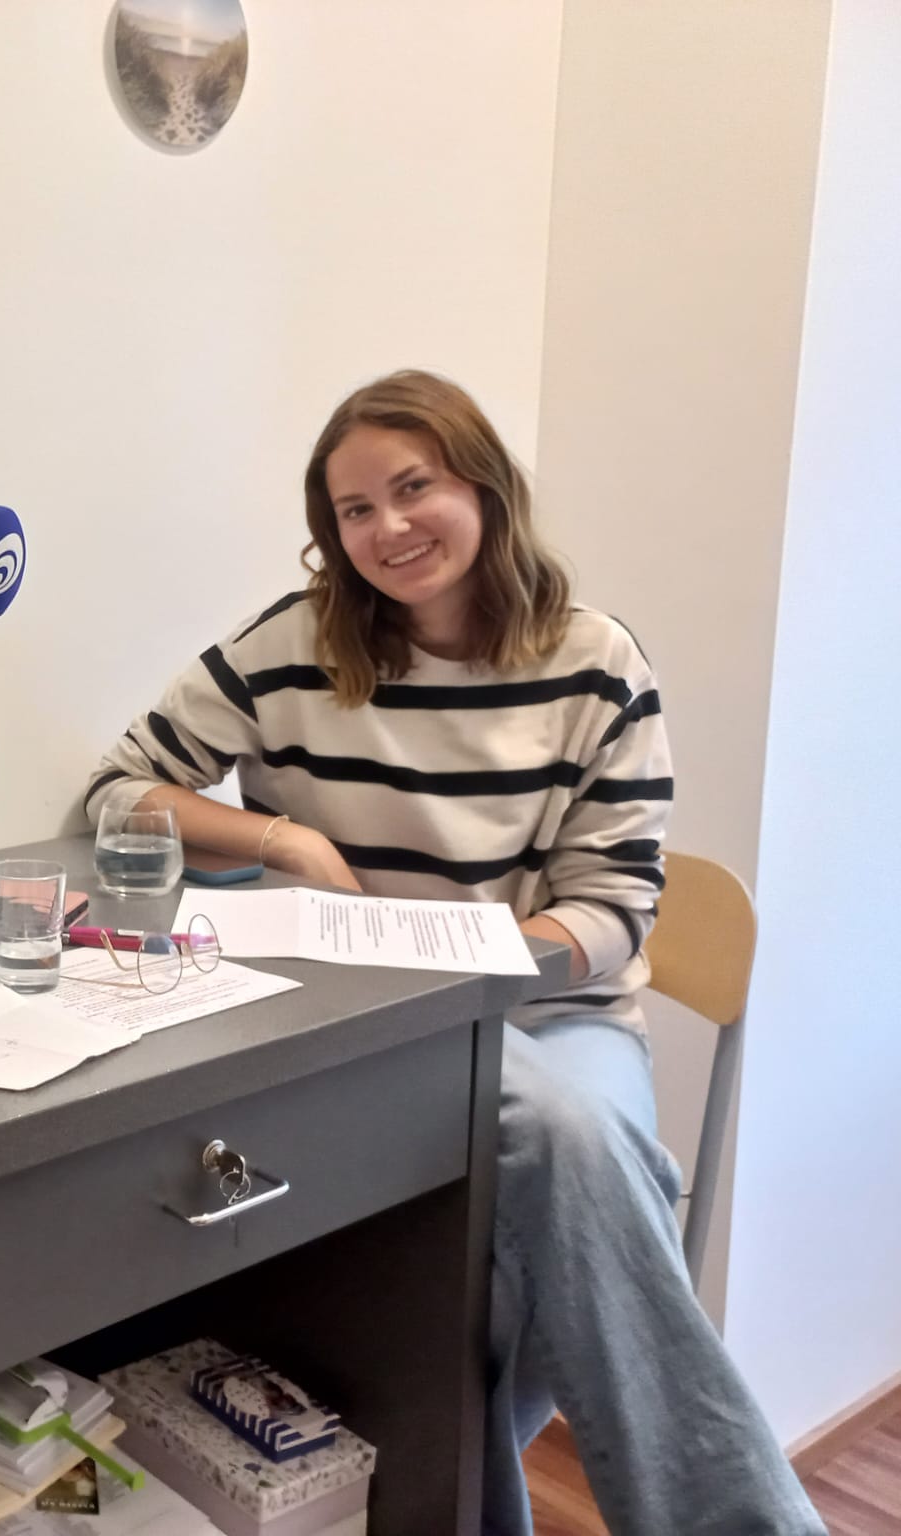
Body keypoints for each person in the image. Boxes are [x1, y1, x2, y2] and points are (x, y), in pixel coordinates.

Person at [86, 370, 821, 1536]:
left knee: (551, 1161)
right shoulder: (288, 648)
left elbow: (611, 910)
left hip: (547, 1017)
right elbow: (119, 791)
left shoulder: (596, 663)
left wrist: (464, 970)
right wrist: (285, 839)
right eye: (352, 510)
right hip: (354, 1030)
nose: (386, 527)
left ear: (482, 485)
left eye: (411, 487)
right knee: (487, 1260)